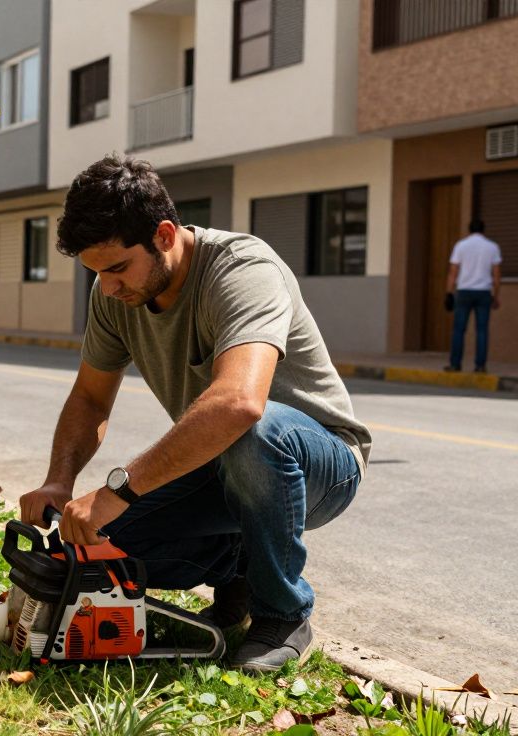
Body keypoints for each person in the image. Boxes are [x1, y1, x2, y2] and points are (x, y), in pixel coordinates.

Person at [19, 156, 371, 672]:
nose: (108, 287)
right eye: (96, 273)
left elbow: (238, 404)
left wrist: (117, 490)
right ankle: (242, 575)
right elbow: (91, 398)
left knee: (254, 431)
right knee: (106, 548)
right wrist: (59, 481)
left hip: (320, 462)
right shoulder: (112, 293)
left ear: (164, 235)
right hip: (225, 464)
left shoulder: (244, 269)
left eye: (117, 268)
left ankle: (283, 613)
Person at [445, 219, 502, 373]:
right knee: (482, 330)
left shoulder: (461, 246)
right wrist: (495, 296)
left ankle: (455, 364)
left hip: (464, 291)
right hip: (483, 292)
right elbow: (496, 275)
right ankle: (480, 365)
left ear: (469, 230)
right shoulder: (492, 247)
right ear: (484, 230)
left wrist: (449, 292)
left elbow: (453, 271)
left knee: (459, 329)